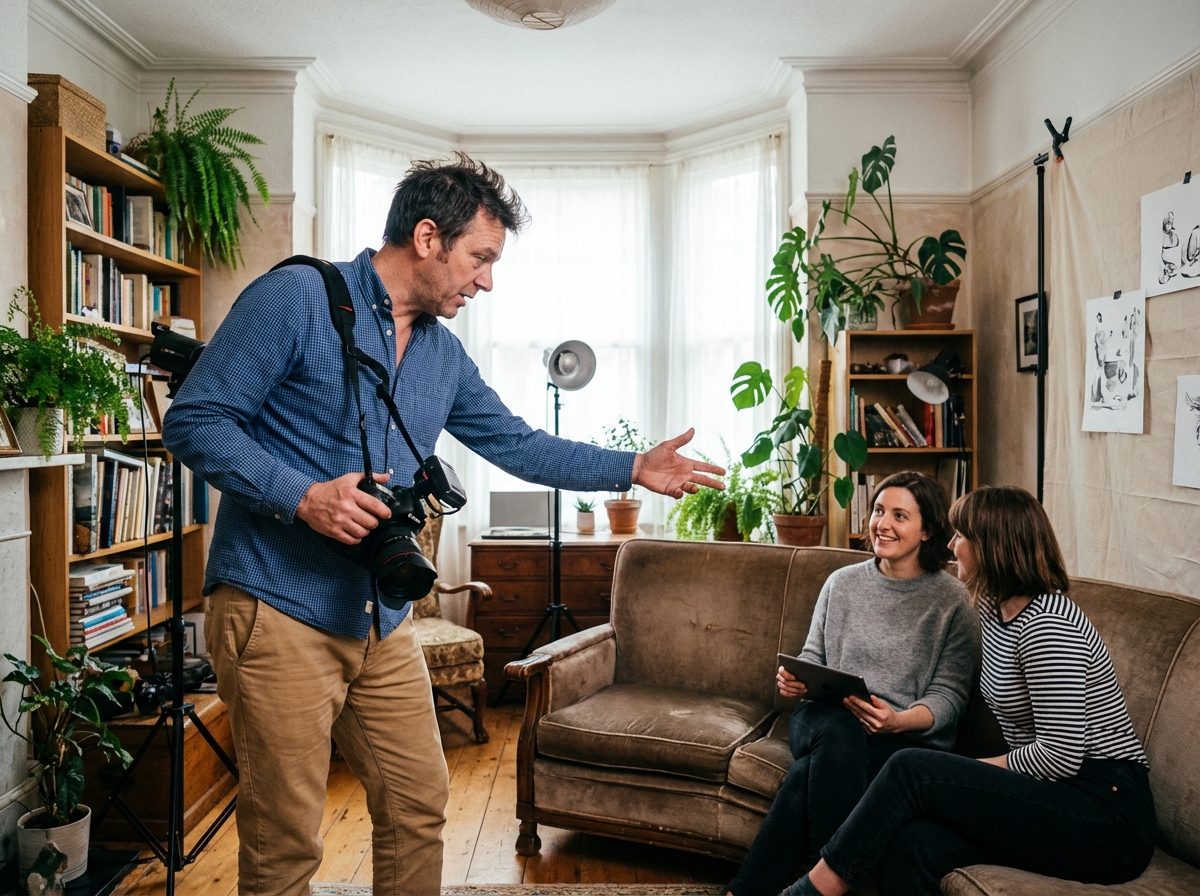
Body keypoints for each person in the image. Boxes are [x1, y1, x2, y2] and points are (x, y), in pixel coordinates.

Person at [160, 154, 724, 896]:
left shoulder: (441, 354)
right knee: (286, 836)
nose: (487, 280)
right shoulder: (293, 298)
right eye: (481, 258)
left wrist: (630, 466)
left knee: (420, 803)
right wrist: (303, 496)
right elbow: (196, 420)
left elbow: (520, 443)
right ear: (427, 237)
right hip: (276, 606)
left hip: (379, 615)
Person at [788, 486, 1156, 896]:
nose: (951, 544)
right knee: (914, 843)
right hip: (1048, 793)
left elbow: (1060, 756)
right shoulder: (992, 609)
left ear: (993, 547)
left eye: (961, 536)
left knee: (914, 767)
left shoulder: (1049, 625)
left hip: (1105, 811)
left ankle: (810, 892)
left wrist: (966, 772)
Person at [728, 471, 979, 896]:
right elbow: (813, 657)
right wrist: (795, 679)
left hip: (901, 739)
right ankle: (835, 882)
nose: (883, 523)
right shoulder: (841, 583)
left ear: (928, 530)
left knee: (806, 774)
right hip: (823, 717)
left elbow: (950, 696)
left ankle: (747, 891)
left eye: (900, 515)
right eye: (879, 510)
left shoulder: (951, 600)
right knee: (838, 730)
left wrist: (898, 720)